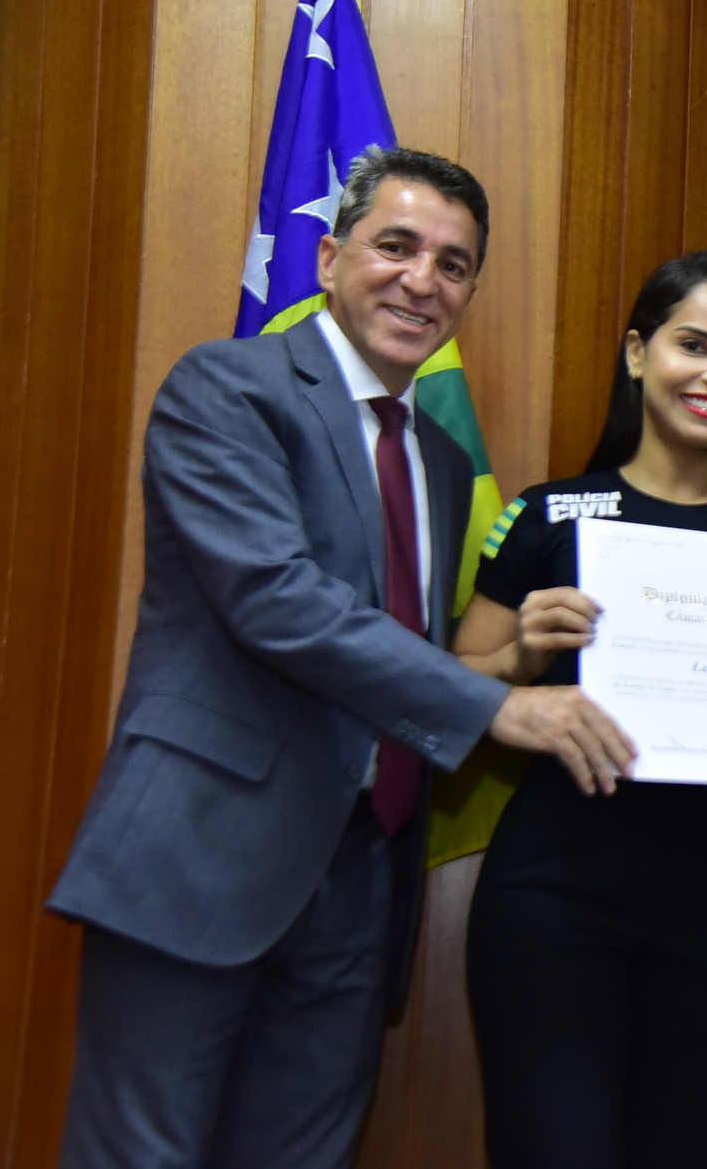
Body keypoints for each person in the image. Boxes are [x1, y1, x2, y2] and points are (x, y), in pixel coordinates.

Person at [49, 148, 629, 1169]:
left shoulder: (439, 461)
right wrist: (498, 711)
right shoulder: (228, 387)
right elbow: (275, 599)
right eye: (396, 246)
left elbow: (392, 661)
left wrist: (506, 668)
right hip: (201, 857)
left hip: (363, 878)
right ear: (327, 258)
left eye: (453, 264)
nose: (421, 280)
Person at [458, 251, 707, 1169]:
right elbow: (452, 688)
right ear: (636, 352)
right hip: (555, 897)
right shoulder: (548, 516)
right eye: (693, 345)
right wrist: (520, 659)